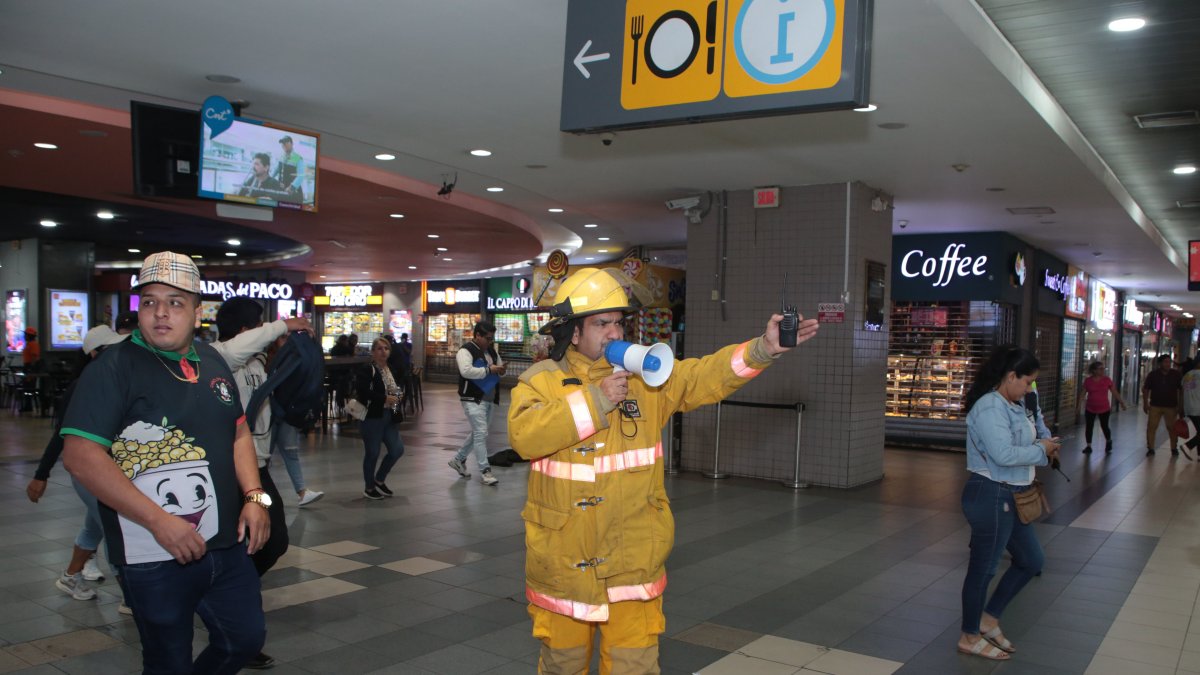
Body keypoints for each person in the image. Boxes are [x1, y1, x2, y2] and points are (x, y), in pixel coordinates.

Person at [506, 267, 818, 672]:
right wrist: (595, 401)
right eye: (602, 323)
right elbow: (524, 436)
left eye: (619, 322)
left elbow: (706, 375)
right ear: (573, 332)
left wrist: (764, 349)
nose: (615, 333)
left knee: (634, 664)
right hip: (564, 564)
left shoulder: (647, 380)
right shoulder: (539, 382)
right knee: (563, 664)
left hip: (632, 559)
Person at [60, 251, 270, 674]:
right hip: (152, 554)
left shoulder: (210, 359)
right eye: (150, 301)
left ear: (197, 311)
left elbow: (239, 431)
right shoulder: (113, 369)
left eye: (175, 302)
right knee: (167, 661)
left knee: (244, 639)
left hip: (225, 545)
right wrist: (159, 522)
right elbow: (80, 457)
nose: (160, 313)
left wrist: (255, 497)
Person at [958, 345, 1061, 662]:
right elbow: (1002, 455)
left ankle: (989, 619)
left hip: (1014, 493)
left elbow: (1039, 428)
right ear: (1010, 375)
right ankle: (969, 635)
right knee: (984, 569)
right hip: (990, 493)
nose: (1031, 387)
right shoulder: (990, 408)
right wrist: (1041, 449)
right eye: (1027, 381)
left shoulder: (1022, 401)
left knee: (1032, 560)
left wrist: (1046, 442)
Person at [26, 326, 129, 602]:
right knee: (116, 530)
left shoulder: (117, 380)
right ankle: (132, 597)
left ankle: (70, 578)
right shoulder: (82, 386)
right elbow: (61, 435)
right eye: (111, 349)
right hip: (89, 472)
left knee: (94, 526)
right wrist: (41, 475)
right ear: (95, 353)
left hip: (111, 469)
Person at [448, 321, 505, 486]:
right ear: (477, 335)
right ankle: (485, 471)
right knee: (481, 433)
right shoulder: (466, 351)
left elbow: (498, 368)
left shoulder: (491, 351)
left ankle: (458, 459)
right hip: (472, 399)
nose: (490, 342)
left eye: (491, 339)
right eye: (487, 338)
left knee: (478, 432)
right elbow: (465, 371)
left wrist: (500, 370)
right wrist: (489, 370)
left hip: (489, 398)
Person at [353, 337, 405, 500]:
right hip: (372, 416)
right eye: (380, 349)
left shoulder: (391, 369)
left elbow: (396, 389)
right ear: (373, 352)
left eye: (386, 349)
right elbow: (363, 391)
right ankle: (369, 487)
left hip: (389, 415)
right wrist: (384, 398)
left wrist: (397, 399)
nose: (384, 352)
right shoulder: (368, 370)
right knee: (373, 452)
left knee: (397, 450)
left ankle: (379, 479)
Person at [1078, 361, 1127, 454]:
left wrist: (1121, 402)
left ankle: (1108, 441)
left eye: (1103, 368)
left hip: (1104, 408)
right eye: (1100, 369)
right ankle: (1088, 446)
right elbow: (1082, 394)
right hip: (1090, 407)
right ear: (1094, 370)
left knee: (1104, 426)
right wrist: (1078, 406)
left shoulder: (1107, 380)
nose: (1102, 370)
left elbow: (1114, 392)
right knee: (1089, 426)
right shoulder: (1088, 381)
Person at [1143, 354, 1183, 456]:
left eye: (1169, 362)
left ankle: (1174, 448)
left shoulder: (1176, 374)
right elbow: (1146, 388)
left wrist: (1180, 405)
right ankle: (1151, 448)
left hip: (1171, 406)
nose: (1168, 364)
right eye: (1165, 362)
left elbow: (1181, 390)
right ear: (1160, 363)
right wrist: (1145, 403)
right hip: (1155, 405)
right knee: (1151, 427)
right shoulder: (1153, 374)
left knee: (1172, 428)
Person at [272, 135, 306, 204]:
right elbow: (274, 171)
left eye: (286, 142)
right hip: (281, 191)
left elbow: (301, 176)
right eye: (282, 143)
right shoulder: (281, 157)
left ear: (292, 144)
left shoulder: (297, 158)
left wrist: (291, 187)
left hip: (294, 193)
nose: (284, 144)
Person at [1181, 358, 1200, 458]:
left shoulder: (1187, 375)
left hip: (1189, 407)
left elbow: (1182, 392)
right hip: (1198, 408)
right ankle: (1188, 446)